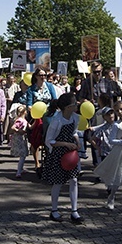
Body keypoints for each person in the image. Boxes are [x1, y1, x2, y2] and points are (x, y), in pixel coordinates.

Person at [42, 92, 84, 224]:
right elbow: (49, 140)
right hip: (59, 153)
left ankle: (74, 210)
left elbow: (74, 132)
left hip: (71, 153)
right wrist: (65, 144)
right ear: (67, 107)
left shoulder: (75, 118)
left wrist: (77, 141)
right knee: (58, 182)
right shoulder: (57, 120)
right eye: (74, 104)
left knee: (74, 180)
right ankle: (54, 210)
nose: (76, 105)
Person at [26, 66, 59, 173]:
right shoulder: (31, 89)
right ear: (36, 76)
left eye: (44, 75)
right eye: (41, 75)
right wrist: (35, 112)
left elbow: (54, 100)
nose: (43, 77)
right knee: (36, 137)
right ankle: (37, 163)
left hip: (49, 114)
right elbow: (29, 105)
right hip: (37, 115)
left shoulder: (49, 86)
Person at [10, 104, 31, 178]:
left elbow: (30, 127)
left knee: (24, 154)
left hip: (23, 138)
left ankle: (21, 169)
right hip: (19, 138)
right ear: (24, 112)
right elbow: (13, 127)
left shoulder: (24, 120)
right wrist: (19, 131)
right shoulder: (19, 120)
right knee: (22, 155)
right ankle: (18, 171)